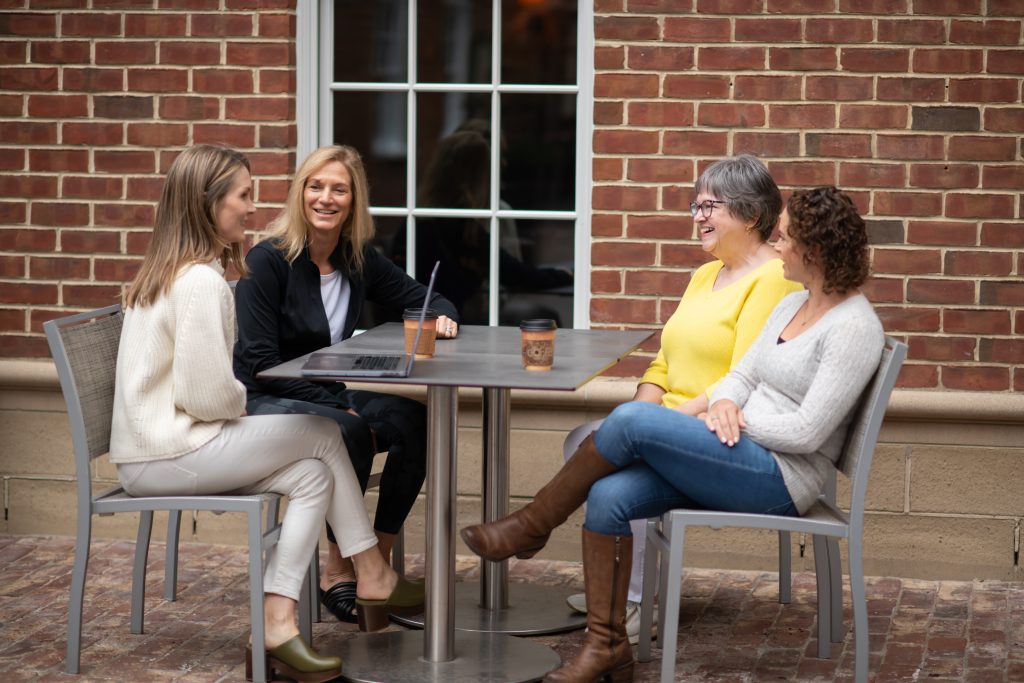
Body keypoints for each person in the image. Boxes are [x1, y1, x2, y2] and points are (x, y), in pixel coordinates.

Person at [460, 186, 885, 683]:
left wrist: (733, 419)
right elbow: (742, 377)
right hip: (737, 450)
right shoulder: (795, 304)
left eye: (785, 237)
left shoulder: (854, 327)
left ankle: (531, 524)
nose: (776, 243)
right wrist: (724, 402)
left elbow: (810, 431)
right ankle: (608, 646)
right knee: (609, 496)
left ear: (815, 250)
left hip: (780, 477)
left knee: (631, 420)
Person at [110, 145, 424, 683]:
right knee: (325, 433)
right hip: (169, 450)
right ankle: (371, 571)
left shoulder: (175, 269)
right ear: (209, 203)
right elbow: (212, 398)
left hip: (155, 445)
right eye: (243, 196)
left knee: (310, 474)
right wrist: (237, 399)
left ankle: (277, 627)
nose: (253, 209)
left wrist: (229, 399)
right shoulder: (202, 282)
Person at [561, 154, 802, 642]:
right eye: (695, 205)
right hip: (673, 420)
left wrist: (650, 427)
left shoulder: (772, 278)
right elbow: (664, 363)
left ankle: (632, 600)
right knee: (583, 440)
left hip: (720, 431)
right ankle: (622, 588)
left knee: (606, 449)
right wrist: (643, 411)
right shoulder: (704, 275)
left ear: (751, 215)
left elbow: (743, 378)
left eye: (709, 206)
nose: (697, 217)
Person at [232, 145, 457, 625]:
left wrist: (444, 320)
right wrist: (338, 406)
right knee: (348, 429)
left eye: (339, 189)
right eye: (316, 186)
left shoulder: (356, 260)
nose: (325, 198)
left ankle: (377, 562)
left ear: (354, 202)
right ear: (300, 194)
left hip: (324, 393)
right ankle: (338, 571)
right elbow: (257, 364)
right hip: (266, 398)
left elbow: (428, 298)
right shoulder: (267, 262)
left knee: (416, 420)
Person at [402, 128, 573, 325]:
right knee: (542, 318)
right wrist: (566, 275)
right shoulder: (460, 225)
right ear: (477, 177)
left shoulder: (421, 218)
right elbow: (516, 274)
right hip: (443, 322)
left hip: (426, 319)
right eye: (495, 163)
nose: (503, 165)